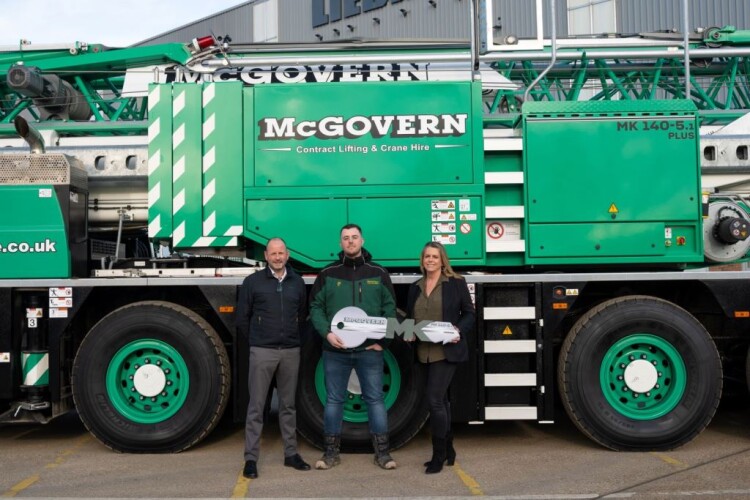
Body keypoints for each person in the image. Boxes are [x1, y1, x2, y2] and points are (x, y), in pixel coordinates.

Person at [309, 223, 398, 470]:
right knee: (334, 401)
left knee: (375, 400)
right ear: (340, 243)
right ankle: (330, 454)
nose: (350, 241)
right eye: (346, 238)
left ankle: (383, 454)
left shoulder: (378, 273)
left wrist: (384, 341)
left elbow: (390, 309)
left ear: (362, 240)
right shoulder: (327, 273)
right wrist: (327, 334)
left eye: (354, 237)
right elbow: (315, 308)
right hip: (335, 351)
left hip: (369, 351)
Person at [236, 237, 311, 479]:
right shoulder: (252, 282)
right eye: (273, 254)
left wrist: (291, 339)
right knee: (257, 406)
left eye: (281, 253)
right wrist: (259, 341)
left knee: (288, 406)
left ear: (287, 255)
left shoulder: (297, 282)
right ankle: (251, 459)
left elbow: (302, 314)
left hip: (290, 351)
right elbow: (242, 319)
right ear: (266, 256)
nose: (277, 257)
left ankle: (291, 454)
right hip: (262, 351)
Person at [406, 241, 475, 474]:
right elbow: (410, 321)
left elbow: (469, 313)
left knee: (434, 400)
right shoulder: (415, 286)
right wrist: (408, 334)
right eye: (427, 256)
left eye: (435, 256)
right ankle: (449, 449)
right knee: (441, 402)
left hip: (445, 351)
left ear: (442, 259)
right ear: (422, 260)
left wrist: (459, 331)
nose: (431, 260)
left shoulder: (455, 283)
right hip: (423, 353)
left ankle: (438, 455)